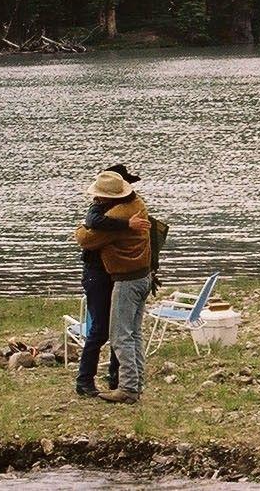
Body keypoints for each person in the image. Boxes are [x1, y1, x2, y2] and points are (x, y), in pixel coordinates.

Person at [73, 169, 153, 404]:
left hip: (123, 279)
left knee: (118, 335)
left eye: (101, 195)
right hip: (133, 276)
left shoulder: (120, 214)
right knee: (128, 332)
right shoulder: (134, 207)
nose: (96, 199)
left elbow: (85, 238)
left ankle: (125, 386)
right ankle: (130, 382)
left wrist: (81, 228)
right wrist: (125, 224)